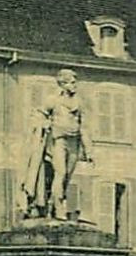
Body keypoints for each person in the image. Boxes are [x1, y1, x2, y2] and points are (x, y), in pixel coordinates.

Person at [21, 68, 92, 220]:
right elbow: (38, 114)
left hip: (74, 142)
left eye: (75, 82)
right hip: (58, 140)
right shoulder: (53, 100)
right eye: (71, 82)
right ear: (62, 84)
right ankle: (59, 208)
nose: (74, 85)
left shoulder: (79, 103)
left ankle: (55, 205)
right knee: (60, 173)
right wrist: (43, 123)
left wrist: (89, 150)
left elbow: (84, 126)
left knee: (67, 176)